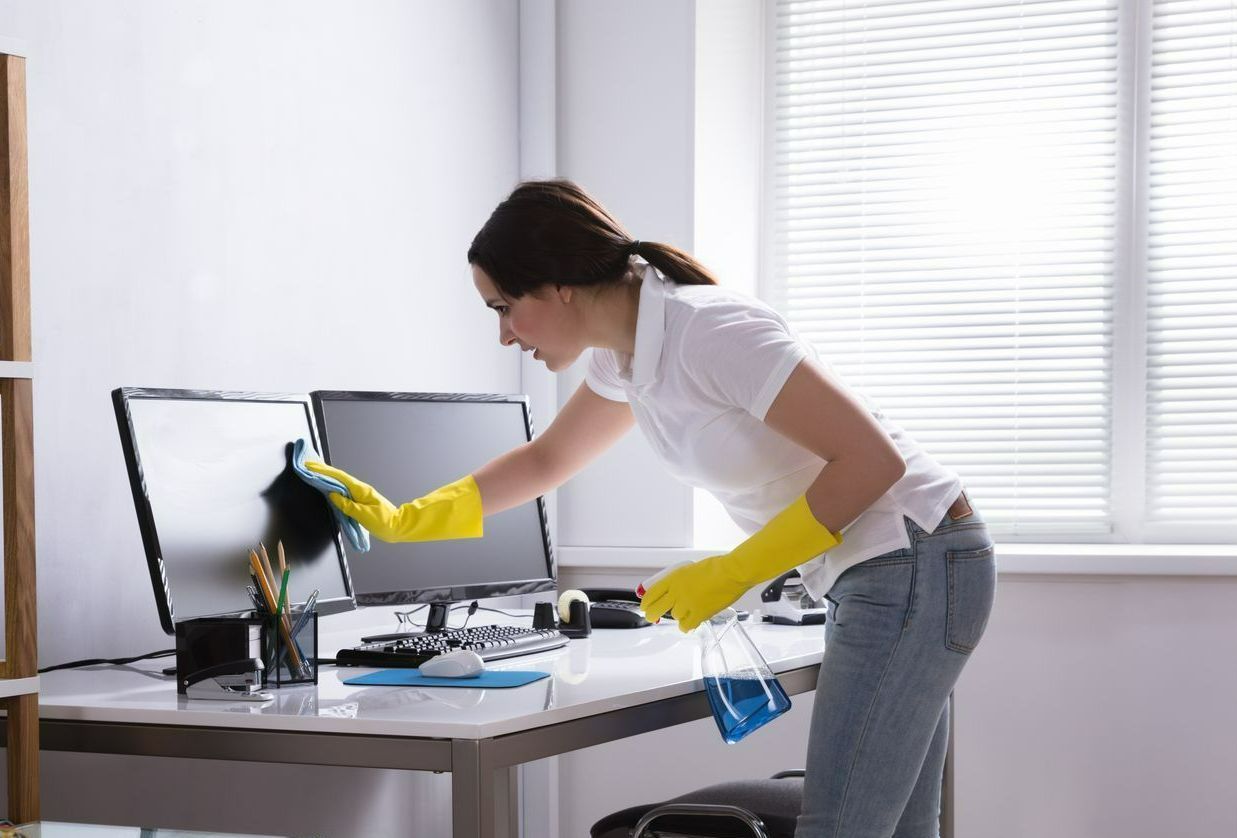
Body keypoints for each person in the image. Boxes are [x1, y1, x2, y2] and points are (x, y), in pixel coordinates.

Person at [306, 179, 996, 838]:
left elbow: (873, 463)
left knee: (842, 829)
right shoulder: (626, 356)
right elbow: (545, 461)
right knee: (895, 830)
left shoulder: (710, 331)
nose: (504, 335)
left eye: (502, 307)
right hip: (890, 566)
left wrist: (732, 572)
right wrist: (408, 518)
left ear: (559, 287)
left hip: (913, 555)